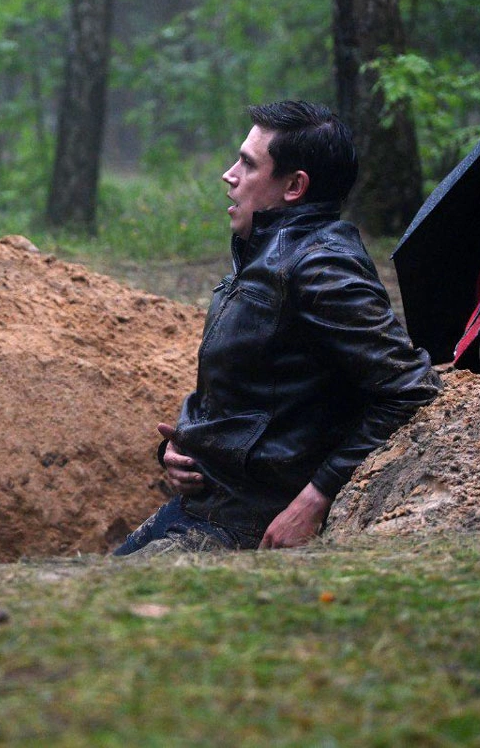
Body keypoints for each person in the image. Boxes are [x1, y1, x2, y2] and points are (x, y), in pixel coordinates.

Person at [114, 101, 441, 556]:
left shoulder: (321, 266)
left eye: (247, 164)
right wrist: (185, 446)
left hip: (247, 523)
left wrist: (315, 498)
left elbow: (409, 388)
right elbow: (259, 385)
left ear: (293, 186)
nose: (229, 175)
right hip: (208, 502)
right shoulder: (264, 252)